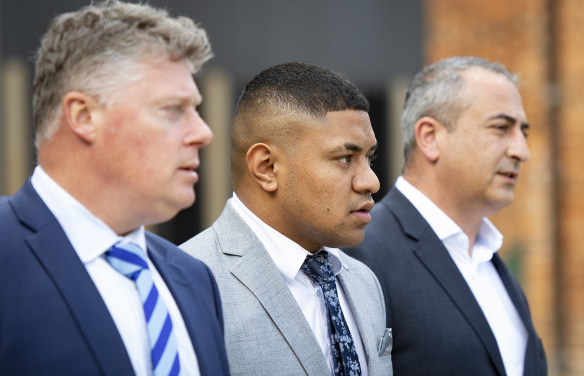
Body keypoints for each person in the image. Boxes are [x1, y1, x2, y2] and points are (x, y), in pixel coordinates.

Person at [0, 0, 229, 375]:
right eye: (173, 109)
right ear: (84, 116)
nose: (204, 133)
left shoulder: (194, 278)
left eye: (197, 109)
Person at [180, 62, 393, 376]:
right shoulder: (188, 284)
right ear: (266, 167)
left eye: (369, 158)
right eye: (345, 158)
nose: (370, 182)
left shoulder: (362, 281)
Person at [344, 56, 547, 376]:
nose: (521, 151)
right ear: (430, 137)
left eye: (523, 132)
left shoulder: (490, 261)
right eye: (501, 128)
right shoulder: (361, 254)